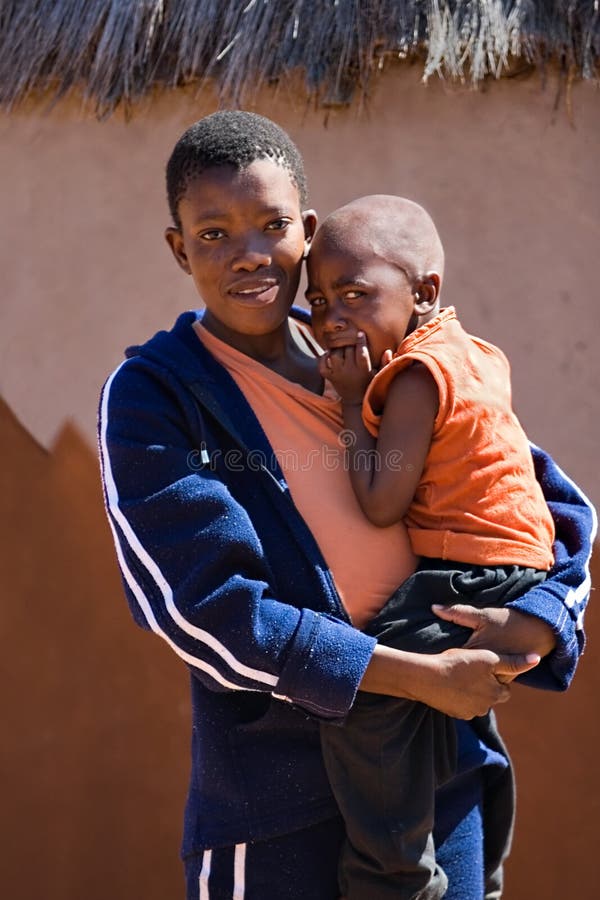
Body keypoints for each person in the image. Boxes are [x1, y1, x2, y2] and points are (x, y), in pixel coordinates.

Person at [97, 111, 595, 900]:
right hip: (277, 812)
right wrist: (413, 674)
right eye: (214, 234)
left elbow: (540, 502)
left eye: (271, 226)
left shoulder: (379, 357)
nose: (250, 254)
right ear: (178, 247)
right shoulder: (160, 395)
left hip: (438, 784)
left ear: (308, 229)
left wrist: (541, 616)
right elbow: (202, 610)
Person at [306, 194, 557, 899]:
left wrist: (353, 402)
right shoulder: (477, 354)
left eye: (355, 294)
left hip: (467, 573)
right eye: (320, 301)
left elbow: (381, 503)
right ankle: (489, 873)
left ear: (423, 293)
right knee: (458, 718)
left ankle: (396, 875)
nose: (331, 319)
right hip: (514, 570)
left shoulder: (413, 378)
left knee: (362, 696)